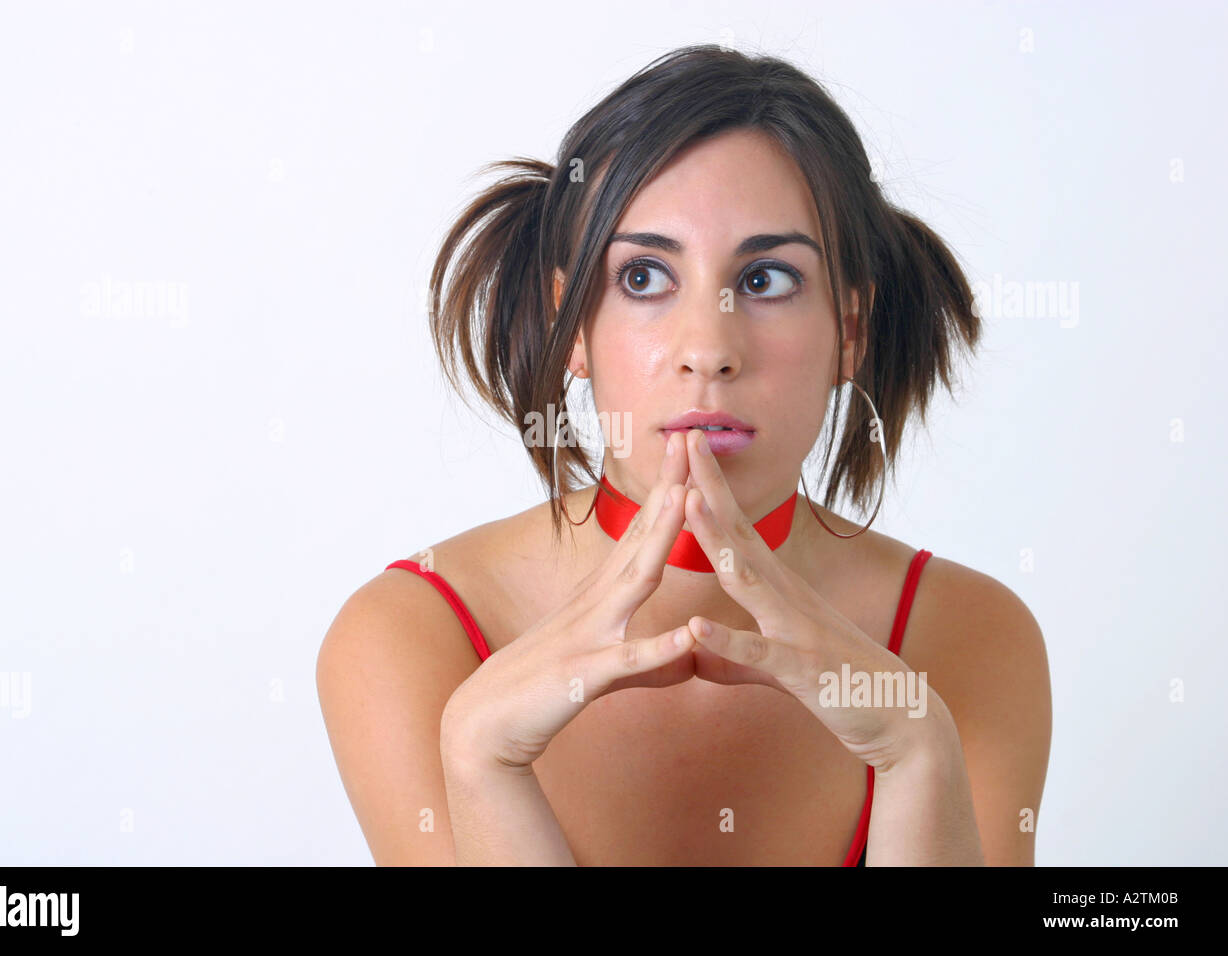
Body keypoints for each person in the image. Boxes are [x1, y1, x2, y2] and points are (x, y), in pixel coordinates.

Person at [317, 44, 1051, 865]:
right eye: (643, 278)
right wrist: (482, 763)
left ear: (851, 330)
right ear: (573, 326)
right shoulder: (408, 638)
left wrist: (919, 758)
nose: (709, 349)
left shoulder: (974, 638)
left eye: (769, 278)